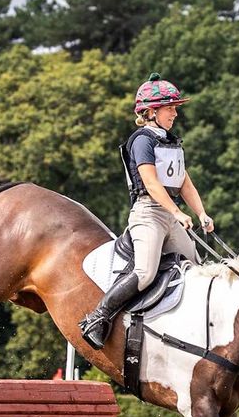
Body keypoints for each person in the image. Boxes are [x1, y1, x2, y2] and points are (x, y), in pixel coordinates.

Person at [79, 72, 215, 350]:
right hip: (148, 213)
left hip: (169, 215)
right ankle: (98, 317)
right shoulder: (142, 140)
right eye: (170, 108)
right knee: (145, 272)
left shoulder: (169, 140)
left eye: (175, 108)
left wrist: (201, 213)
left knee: (198, 269)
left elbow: (183, 181)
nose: (175, 113)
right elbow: (151, 183)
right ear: (151, 112)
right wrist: (177, 214)